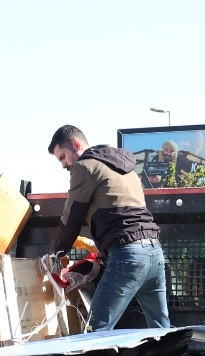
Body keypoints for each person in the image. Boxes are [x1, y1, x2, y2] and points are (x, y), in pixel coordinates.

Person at [47, 125, 169, 331]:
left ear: (76, 144)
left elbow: (71, 218)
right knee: (162, 330)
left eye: (63, 157)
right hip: (155, 253)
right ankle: (174, 353)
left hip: (128, 255)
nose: (64, 165)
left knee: (96, 331)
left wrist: (56, 254)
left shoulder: (84, 166)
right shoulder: (127, 169)